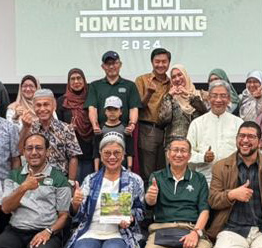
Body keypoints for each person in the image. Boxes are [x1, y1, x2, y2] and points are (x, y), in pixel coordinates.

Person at [186, 81, 243, 185]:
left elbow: (245, 152)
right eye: (214, 96)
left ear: (229, 99)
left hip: (232, 178)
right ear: (208, 98)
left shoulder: (238, 123)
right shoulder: (197, 123)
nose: (218, 100)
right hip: (205, 179)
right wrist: (203, 157)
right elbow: (187, 154)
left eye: (223, 96)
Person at [18, 89, 82, 181]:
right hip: (35, 181)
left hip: (60, 182)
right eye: (38, 105)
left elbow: (73, 157)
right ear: (33, 107)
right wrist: (25, 128)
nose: (42, 109)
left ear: (54, 106)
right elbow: (20, 151)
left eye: (46, 104)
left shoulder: (66, 128)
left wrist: (71, 182)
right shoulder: (30, 127)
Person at [86, 50, 140, 140]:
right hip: (102, 132)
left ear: (120, 64)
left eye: (114, 63)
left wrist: (132, 124)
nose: (111, 66)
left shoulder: (130, 85)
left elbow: (134, 108)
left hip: (124, 132)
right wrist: (95, 126)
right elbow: (92, 108)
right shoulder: (95, 85)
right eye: (107, 64)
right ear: (103, 67)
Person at [135, 47, 173, 175]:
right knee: (148, 172)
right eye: (157, 61)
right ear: (152, 62)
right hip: (148, 129)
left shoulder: (173, 82)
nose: (161, 65)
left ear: (169, 63)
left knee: (165, 171)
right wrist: (149, 93)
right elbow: (137, 106)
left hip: (168, 131)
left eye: (164, 62)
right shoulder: (142, 80)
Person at [58, 67, 96, 180]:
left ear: (84, 80)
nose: (76, 82)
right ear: (68, 82)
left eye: (79, 78)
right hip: (69, 152)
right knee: (72, 187)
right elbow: (57, 125)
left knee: (86, 185)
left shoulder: (91, 99)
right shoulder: (62, 101)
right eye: (72, 79)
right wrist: (67, 128)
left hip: (89, 149)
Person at [158, 64, 207, 140]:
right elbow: (164, 120)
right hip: (175, 144)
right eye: (173, 77)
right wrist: (168, 97)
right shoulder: (170, 98)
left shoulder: (200, 94)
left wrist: (188, 94)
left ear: (185, 75)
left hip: (197, 141)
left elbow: (205, 112)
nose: (177, 79)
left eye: (180, 75)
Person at [94, 97, 134, 170]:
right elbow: (96, 151)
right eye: (109, 109)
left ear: (121, 111)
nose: (112, 112)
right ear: (105, 112)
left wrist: (129, 168)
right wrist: (96, 170)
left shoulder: (126, 128)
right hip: (104, 166)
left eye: (115, 109)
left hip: (122, 165)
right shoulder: (100, 129)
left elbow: (130, 150)